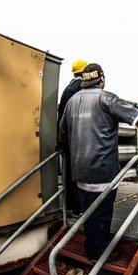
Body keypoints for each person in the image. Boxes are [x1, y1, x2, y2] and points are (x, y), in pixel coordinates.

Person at [58, 63, 138, 260]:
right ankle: (99, 253)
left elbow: (62, 131)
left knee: (88, 213)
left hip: (78, 170)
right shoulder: (107, 98)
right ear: (101, 78)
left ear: (84, 80)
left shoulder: (72, 101)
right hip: (102, 170)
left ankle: (91, 246)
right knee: (102, 214)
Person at [57, 59, 88, 216]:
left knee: (68, 173)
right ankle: (78, 208)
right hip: (78, 136)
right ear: (84, 72)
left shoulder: (67, 88)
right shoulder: (81, 88)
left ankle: (69, 207)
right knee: (79, 173)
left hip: (67, 136)